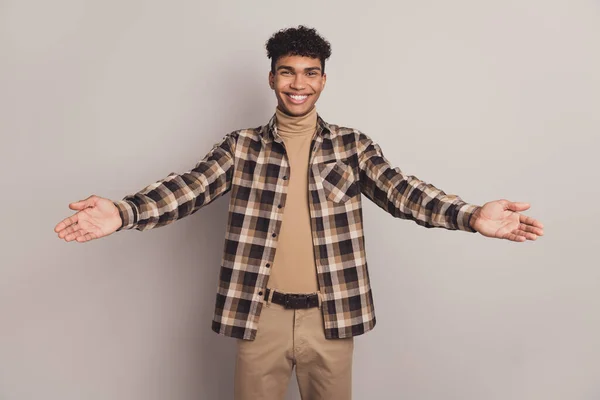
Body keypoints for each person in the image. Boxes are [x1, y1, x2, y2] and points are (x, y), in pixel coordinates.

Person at [54, 25, 544, 400]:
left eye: (310, 73)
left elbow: (404, 192)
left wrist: (472, 213)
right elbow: (189, 187)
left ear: (324, 80)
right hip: (259, 314)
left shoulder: (352, 146)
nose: (298, 83)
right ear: (272, 77)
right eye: (287, 71)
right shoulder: (242, 146)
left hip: (331, 315)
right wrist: (124, 211)